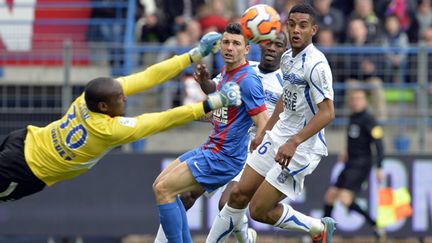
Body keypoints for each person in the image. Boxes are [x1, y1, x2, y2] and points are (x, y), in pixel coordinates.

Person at [0, 32, 242, 203]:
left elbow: (148, 76)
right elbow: (162, 119)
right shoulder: (109, 131)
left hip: (22, 140)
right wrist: (214, 102)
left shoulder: (88, 97)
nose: (124, 99)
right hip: (22, 170)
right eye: (119, 98)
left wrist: (193, 54)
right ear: (104, 106)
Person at [206, 4, 336, 243]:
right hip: (277, 136)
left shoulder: (317, 64)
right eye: (292, 24)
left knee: (259, 211)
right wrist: (264, 132)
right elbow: (284, 101)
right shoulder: (287, 58)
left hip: (302, 147)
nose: (296, 30)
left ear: (313, 30)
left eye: (303, 26)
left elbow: (327, 113)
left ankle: (317, 228)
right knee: (237, 196)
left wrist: (294, 142)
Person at [153, 31, 289, 243]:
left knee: (176, 192)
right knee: (172, 190)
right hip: (216, 145)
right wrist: (204, 87)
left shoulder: (261, 81)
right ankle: (245, 237)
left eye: (235, 43)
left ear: (246, 49)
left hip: (237, 153)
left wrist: (263, 146)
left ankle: (245, 236)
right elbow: (218, 104)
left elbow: (265, 122)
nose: (229, 47)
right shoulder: (232, 71)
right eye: (226, 42)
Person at [322, 89, 385, 238]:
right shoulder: (352, 117)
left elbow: (379, 144)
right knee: (330, 195)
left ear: (365, 102)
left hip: (361, 164)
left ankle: (375, 226)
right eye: (354, 99)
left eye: (359, 99)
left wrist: (379, 167)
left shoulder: (369, 120)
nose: (356, 102)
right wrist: (346, 151)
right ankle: (323, 233)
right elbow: (354, 139)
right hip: (350, 163)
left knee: (344, 198)